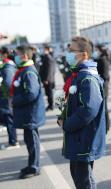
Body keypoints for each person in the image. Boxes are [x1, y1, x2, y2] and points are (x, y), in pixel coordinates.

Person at [58, 36, 106, 189]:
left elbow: (88, 109)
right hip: (79, 137)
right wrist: (62, 115)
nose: (68, 54)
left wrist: (67, 124)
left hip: (84, 138)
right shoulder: (79, 75)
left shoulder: (88, 78)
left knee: (83, 179)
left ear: (84, 54)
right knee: (80, 176)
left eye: (72, 51)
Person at [11, 45, 45, 179]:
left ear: (24, 56)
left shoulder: (29, 72)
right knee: (30, 141)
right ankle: (32, 164)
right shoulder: (24, 70)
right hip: (27, 114)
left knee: (33, 142)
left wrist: (15, 100)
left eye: (17, 54)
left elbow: (31, 93)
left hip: (31, 114)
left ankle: (35, 167)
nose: (15, 57)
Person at [0, 47, 19, 148]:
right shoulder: (9, 66)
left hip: (6, 98)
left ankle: (13, 141)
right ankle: (13, 140)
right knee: (9, 120)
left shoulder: (7, 67)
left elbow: (7, 84)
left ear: (5, 54)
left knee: (9, 120)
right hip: (7, 97)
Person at [93, 44, 110, 133]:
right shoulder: (98, 60)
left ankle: (106, 126)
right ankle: (104, 126)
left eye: (96, 50)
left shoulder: (103, 60)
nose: (95, 52)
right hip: (100, 86)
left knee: (104, 108)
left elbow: (105, 76)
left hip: (103, 87)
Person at [39, 45, 56, 111]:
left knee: (49, 93)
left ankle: (51, 105)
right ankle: (50, 105)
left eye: (44, 49)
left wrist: (46, 79)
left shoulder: (48, 57)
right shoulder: (47, 57)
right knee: (48, 93)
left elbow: (48, 70)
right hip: (48, 79)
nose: (43, 50)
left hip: (48, 79)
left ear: (47, 49)